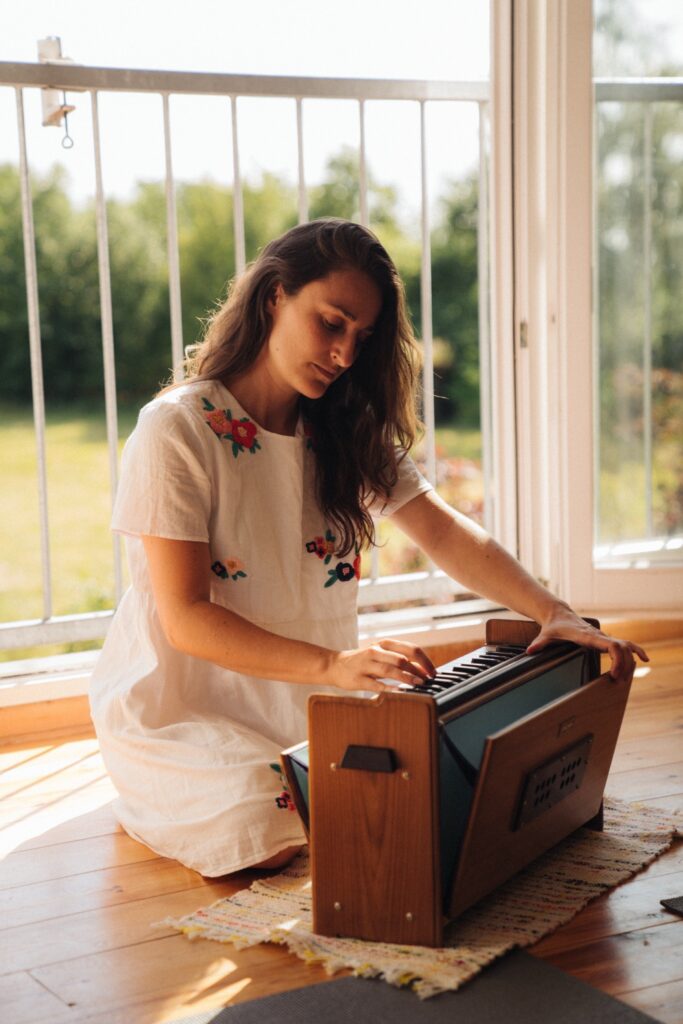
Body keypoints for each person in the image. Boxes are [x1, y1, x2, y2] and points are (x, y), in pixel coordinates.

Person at [89, 218, 648, 877]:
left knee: (435, 800)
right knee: (261, 823)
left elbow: (441, 531)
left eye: (362, 336)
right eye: (331, 323)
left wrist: (553, 610)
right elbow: (186, 618)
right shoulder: (177, 428)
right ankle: (158, 789)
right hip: (183, 707)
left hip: (316, 704)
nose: (345, 355)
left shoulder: (341, 428)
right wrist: (333, 665)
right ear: (274, 297)